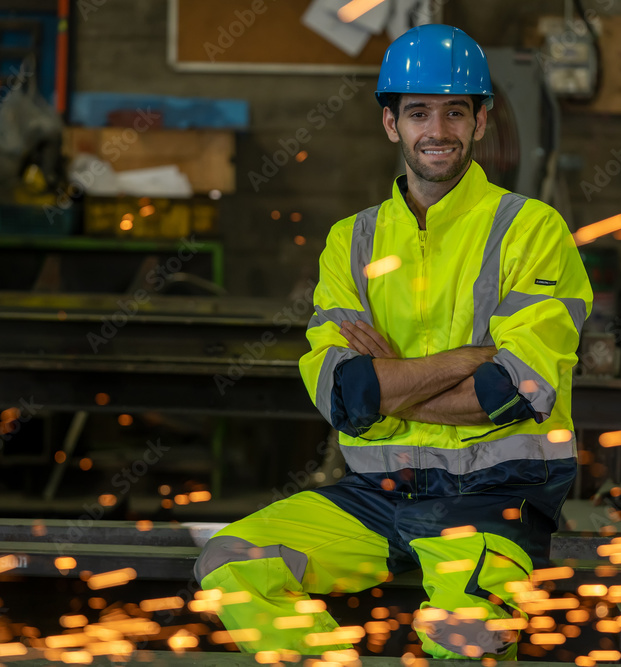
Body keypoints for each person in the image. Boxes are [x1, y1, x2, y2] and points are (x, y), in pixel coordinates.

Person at [196, 24, 593, 661]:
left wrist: (391, 381)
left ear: (481, 121)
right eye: (417, 113)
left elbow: (513, 390)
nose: (437, 131)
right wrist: (462, 360)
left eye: (454, 112)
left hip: (492, 501)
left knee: (467, 640)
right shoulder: (350, 242)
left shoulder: (532, 231)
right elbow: (343, 396)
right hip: (378, 498)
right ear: (391, 124)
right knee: (228, 563)